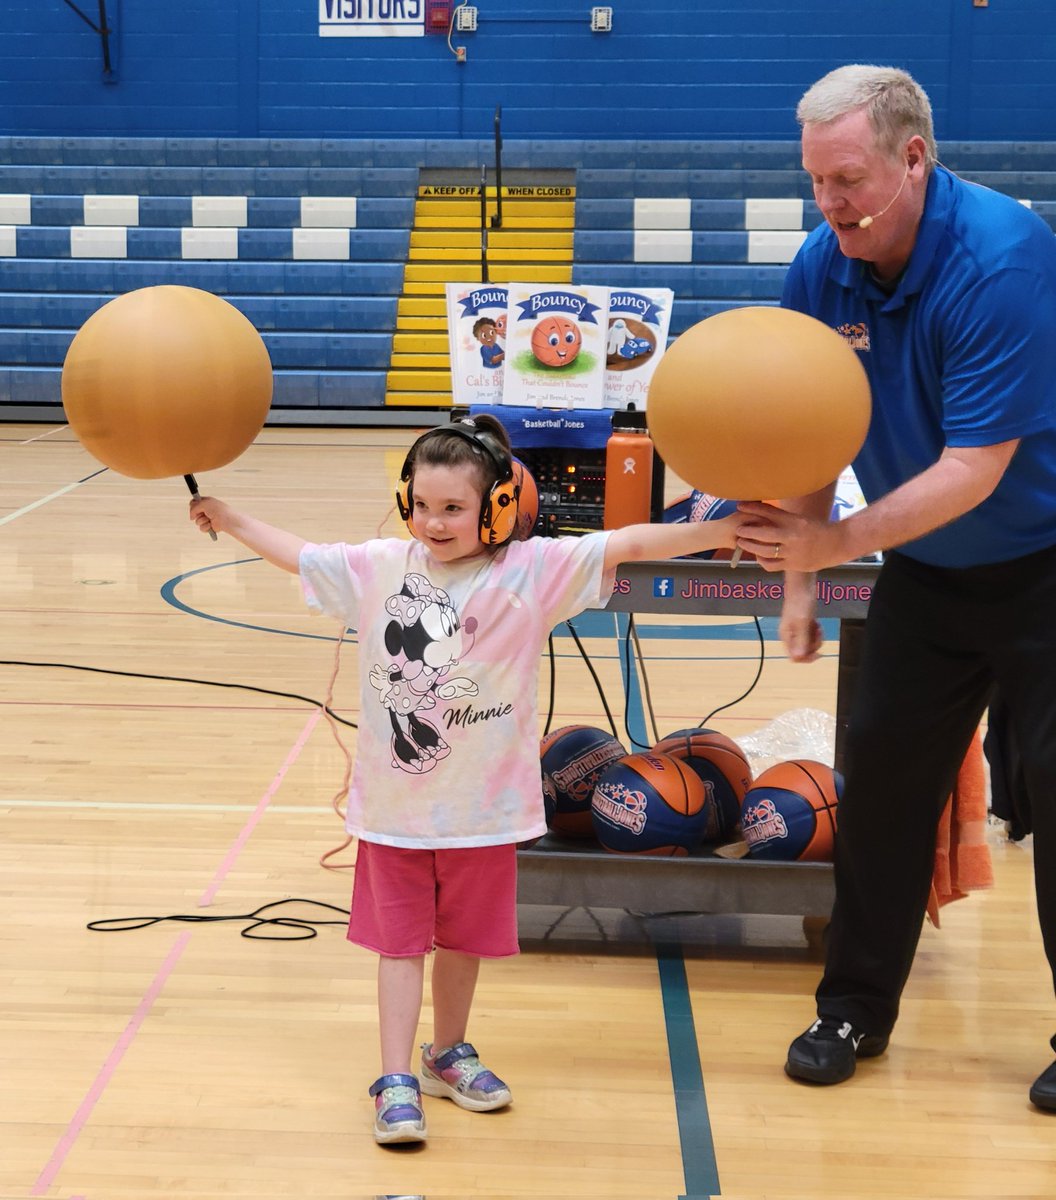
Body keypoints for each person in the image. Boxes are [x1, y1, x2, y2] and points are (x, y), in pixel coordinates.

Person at [189, 413, 738, 1145]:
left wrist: (728, 530)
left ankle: (448, 1051)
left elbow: (636, 542)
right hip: (394, 813)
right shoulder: (380, 566)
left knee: (464, 942)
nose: (432, 522)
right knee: (399, 946)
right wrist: (229, 517)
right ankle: (394, 1078)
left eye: (452, 508)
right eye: (420, 505)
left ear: (499, 508)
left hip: (485, 812)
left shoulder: (533, 573)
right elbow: (302, 557)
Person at [733, 64, 1056, 1105]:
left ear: (915, 158)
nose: (828, 208)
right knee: (879, 782)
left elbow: (976, 466)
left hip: (1046, 562)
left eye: (847, 180)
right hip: (930, 568)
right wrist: (798, 581)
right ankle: (852, 1009)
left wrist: (835, 548)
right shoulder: (823, 267)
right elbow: (812, 428)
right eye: (813, 184)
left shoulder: (1003, 258)